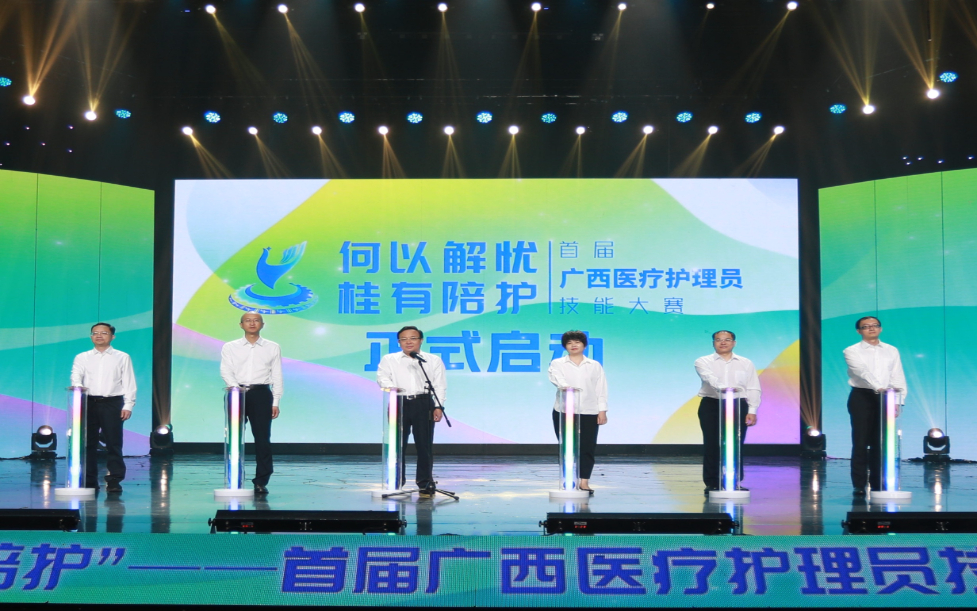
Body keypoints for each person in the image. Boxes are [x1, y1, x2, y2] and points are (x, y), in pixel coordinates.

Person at [376, 326, 446, 496]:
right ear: (399, 342)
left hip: (424, 403)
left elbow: (439, 384)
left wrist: (438, 406)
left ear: (421, 340)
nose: (408, 342)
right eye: (404, 339)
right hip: (399, 402)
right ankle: (396, 481)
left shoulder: (432, 360)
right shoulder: (389, 359)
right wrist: (392, 388)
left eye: (413, 338)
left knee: (424, 445)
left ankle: (425, 482)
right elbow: (382, 378)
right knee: (397, 445)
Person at [220, 312, 283, 495]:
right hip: (236, 393)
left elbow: (277, 375)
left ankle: (261, 481)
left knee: (262, 439)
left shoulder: (272, 347)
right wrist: (236, 389)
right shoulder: (230, 347)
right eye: (248, 320)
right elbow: (226, 370)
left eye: (256, 320)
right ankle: (235, 480)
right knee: (234, 437)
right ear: (241, 325)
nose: (252, 323)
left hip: (261, 393)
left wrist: (276, 400)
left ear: (262, 324)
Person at [843, 316, 907, 496]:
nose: (871, 328)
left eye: (875, 325)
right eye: (866, 326)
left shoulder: (891, 350)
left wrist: (897, 400)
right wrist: (878, 387)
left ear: (880, 328)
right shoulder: (851, 351)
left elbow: (897, 375)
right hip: (862, 396)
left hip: (886, 397)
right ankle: (859, 484)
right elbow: (861, 372)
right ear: (859, 331)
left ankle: (878, 482)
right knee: (861, 441)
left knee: (881, 442)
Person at [70, 322, 137, 493]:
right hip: (88, 402)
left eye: (104, 333)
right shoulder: (82, 357)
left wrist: (128, 405)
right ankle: (89, 481)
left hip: (112, 403)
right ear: (91, 336)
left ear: (112, 336)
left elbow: (129, 382)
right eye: (95, 333)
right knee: (88, 444)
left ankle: (114, 480)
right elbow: (76, 376)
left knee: (113, 443)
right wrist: (77, 388)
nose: (99, 335)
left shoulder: (122, 357)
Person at [694, 330, 760, 494]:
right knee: (712, 443)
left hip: (738, 404)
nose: (723, 342)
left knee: (735, 443)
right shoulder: (703, 361)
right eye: (718, 340)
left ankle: (733, 481)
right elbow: (709, 378)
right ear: (713, 343)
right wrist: (725, 389)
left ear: (734, 343)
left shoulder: (745, 363)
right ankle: (712, 482)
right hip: (712, 404)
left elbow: (753, 387)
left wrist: (752, 409)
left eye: (727, 339)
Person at [548, 330, 608, 495]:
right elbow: (556, 379)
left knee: (588, 447)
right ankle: (568, 479)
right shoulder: (558, 363)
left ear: (584, 345)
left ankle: (584, 481)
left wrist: (602, 410)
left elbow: (601, 389)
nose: (573, 345)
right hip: (564, 411)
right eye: (569, 343)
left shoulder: (594, 365)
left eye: (577, 342)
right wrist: (567, 387)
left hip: (589, 410)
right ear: (565, 346)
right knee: (567, 447)